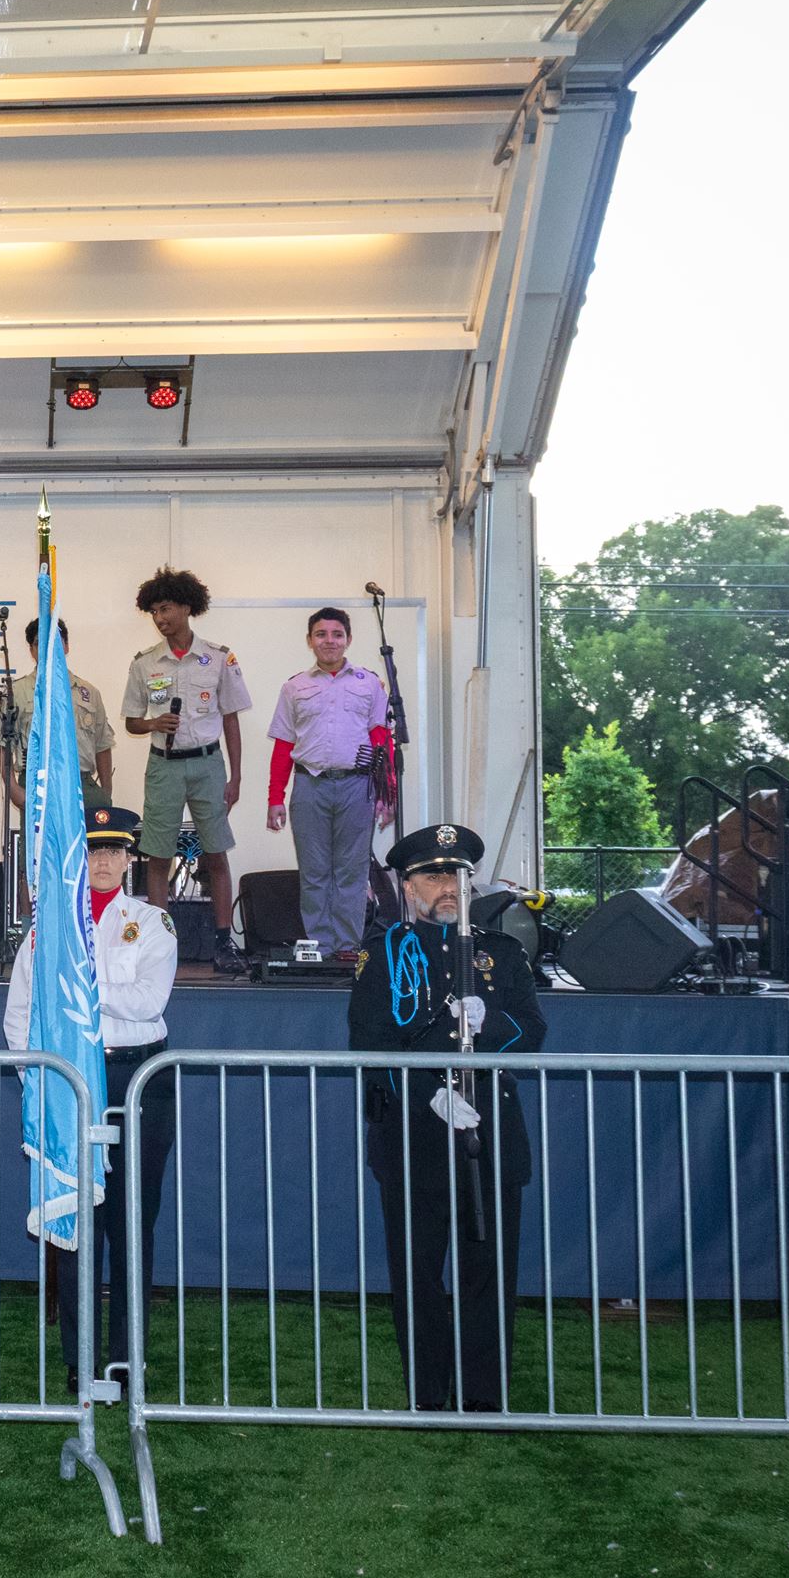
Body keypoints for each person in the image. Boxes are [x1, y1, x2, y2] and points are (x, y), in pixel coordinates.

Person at [347, 823, 546, 1412]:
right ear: (406, 887)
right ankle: (430, 1398)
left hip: (489, 1128)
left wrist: (489, 1025)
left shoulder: (501, 952)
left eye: (457, 874)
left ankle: (485, 1399)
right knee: (420, 1276)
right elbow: (370, 1044)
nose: (448, 885)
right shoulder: (382, 954)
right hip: (414, 1134)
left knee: (489, 1273)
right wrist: (429, 1093)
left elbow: (531, 1032)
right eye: (433, 875)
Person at [2, 806, 176, 1382]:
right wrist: (42, 1083)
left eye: (114, 851)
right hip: (73, 1080)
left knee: (131, 1221)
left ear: (130, 859)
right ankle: (80, 1360)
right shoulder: (48, 927)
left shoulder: (150, 922)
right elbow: (19, 1016)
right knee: (78, 1221)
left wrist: (78, 985)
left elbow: (149, 999)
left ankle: (127, 1358)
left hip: (136, 1078)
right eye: (93, 851)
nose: (103, 861)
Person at [121, 566, 251, 972]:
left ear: (186, 606)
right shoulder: (144, 663)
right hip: (163, 767)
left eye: (166, 609)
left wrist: (236, 776)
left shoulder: (217, 657)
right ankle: (159, 942)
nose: (160, 619)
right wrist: (153, 724)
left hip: (208, 765)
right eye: (154, 612)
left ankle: (222, 942)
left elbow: (230, 718)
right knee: (158, 854)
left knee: (216, 852)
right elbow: (130, 721)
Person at [264, 607, 393, 960]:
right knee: (315, 871)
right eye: (321, 634)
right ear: (310, 641)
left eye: (337, 634)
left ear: (348, 639)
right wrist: (276, 797)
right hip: (310, 786)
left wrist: (387, 795)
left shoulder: (369, 684)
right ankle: (320, 946)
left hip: (358, 787)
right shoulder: (294, 687)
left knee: (352, 872)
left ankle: (348, 947)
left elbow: (382, 741)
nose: (329, 641)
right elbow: (283, 746)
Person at [0, 619, 115, 816]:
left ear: (66, 646)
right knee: (39, 847)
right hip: (38, 785)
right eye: (38, 643)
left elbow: (102, 744)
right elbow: (1, 745)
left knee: (90, 847)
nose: (47, 648)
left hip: (82, 785)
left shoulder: (88, 692)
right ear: (32, 650)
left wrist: (106, 792)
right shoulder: (16, 692)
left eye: (54, 641)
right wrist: (16, 792)